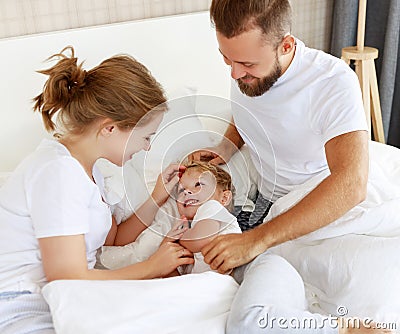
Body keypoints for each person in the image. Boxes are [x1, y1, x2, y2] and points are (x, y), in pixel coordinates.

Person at [190, 1, 389, 333]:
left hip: (321, 204)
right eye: (227, 60)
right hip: (266, 203)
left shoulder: (332, 83)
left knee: (355, 285)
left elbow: (351, 184)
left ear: (286, 45)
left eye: (246, 64)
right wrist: (227, 145)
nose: (235, 74)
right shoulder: (247, 67)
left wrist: (257, 240)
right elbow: (248, 107)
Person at [0, 46, 194, 334]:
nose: (148, 147)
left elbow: (113, 238)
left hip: (64, 299)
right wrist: (151, 268)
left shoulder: (89, 172)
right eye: (146, 136)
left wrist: (157, 196)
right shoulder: (58, 173)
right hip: (23, 305)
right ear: (110, 128)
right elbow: (67, 279)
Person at [165, 161, 242, 275]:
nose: (187, 191)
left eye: (198, 185)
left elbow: (197, 240)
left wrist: (179, 237)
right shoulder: (195, 227)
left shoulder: (212, 207)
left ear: (224, 198)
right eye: (181, 190)